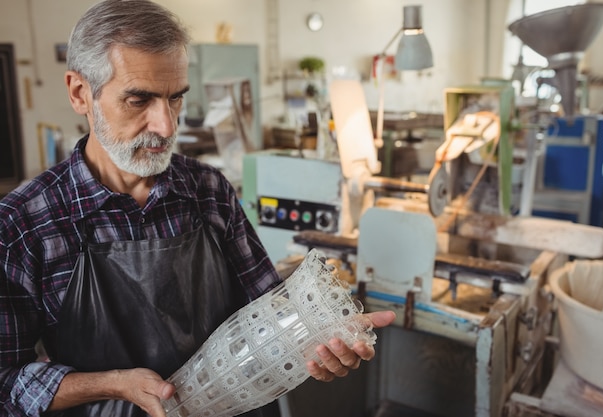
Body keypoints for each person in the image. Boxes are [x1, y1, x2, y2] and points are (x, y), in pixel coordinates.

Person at [0, 1, 396, 416]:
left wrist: (318, 339)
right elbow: (6, 380)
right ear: (81, 93)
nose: (166, 126)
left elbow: (267, 309)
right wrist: (114, 385)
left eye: (175, 99)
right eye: (139, 100)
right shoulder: (23, 224)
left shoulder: (208, 191)